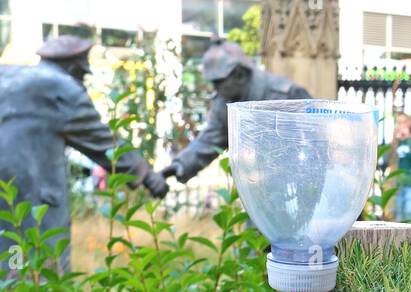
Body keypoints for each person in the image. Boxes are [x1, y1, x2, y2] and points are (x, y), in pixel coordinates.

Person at [0, 36, 161, 272]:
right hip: (31, 195)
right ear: (76, 67)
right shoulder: (62, 88)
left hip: (7, 189)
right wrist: (147, 175)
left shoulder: (8, 76)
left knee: (9, 258)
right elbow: (104, 144)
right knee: (38, 268)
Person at [157, 39, 309, 189]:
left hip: (297, 185)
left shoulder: (286, 95)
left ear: (239, 74)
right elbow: (210, 139)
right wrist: (181, 164)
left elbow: (314, 141)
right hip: (259, 191)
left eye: (219, 82)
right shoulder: (225, 102)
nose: (216, 89)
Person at [387, 113, 411, 224]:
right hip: (397, 187)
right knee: (397, 220)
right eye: (398, 122)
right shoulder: (394, 144)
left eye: (403, 122)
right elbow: (386, 161)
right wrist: (395, 140)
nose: (400, 125)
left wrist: (408, 139)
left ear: (410, 125)